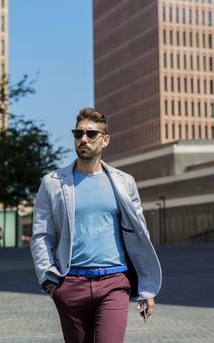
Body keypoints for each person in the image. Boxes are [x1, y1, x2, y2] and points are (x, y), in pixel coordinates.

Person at [30, 107, 162, 343]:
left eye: (91, 134)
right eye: (78, 133)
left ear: (105, 140)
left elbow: (140, 236)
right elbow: (41, 236)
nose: (83, 139)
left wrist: (146, 288)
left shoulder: (124, 183)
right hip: (71, 284)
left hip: (113, 283)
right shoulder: (52, 184)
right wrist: (51, 284)